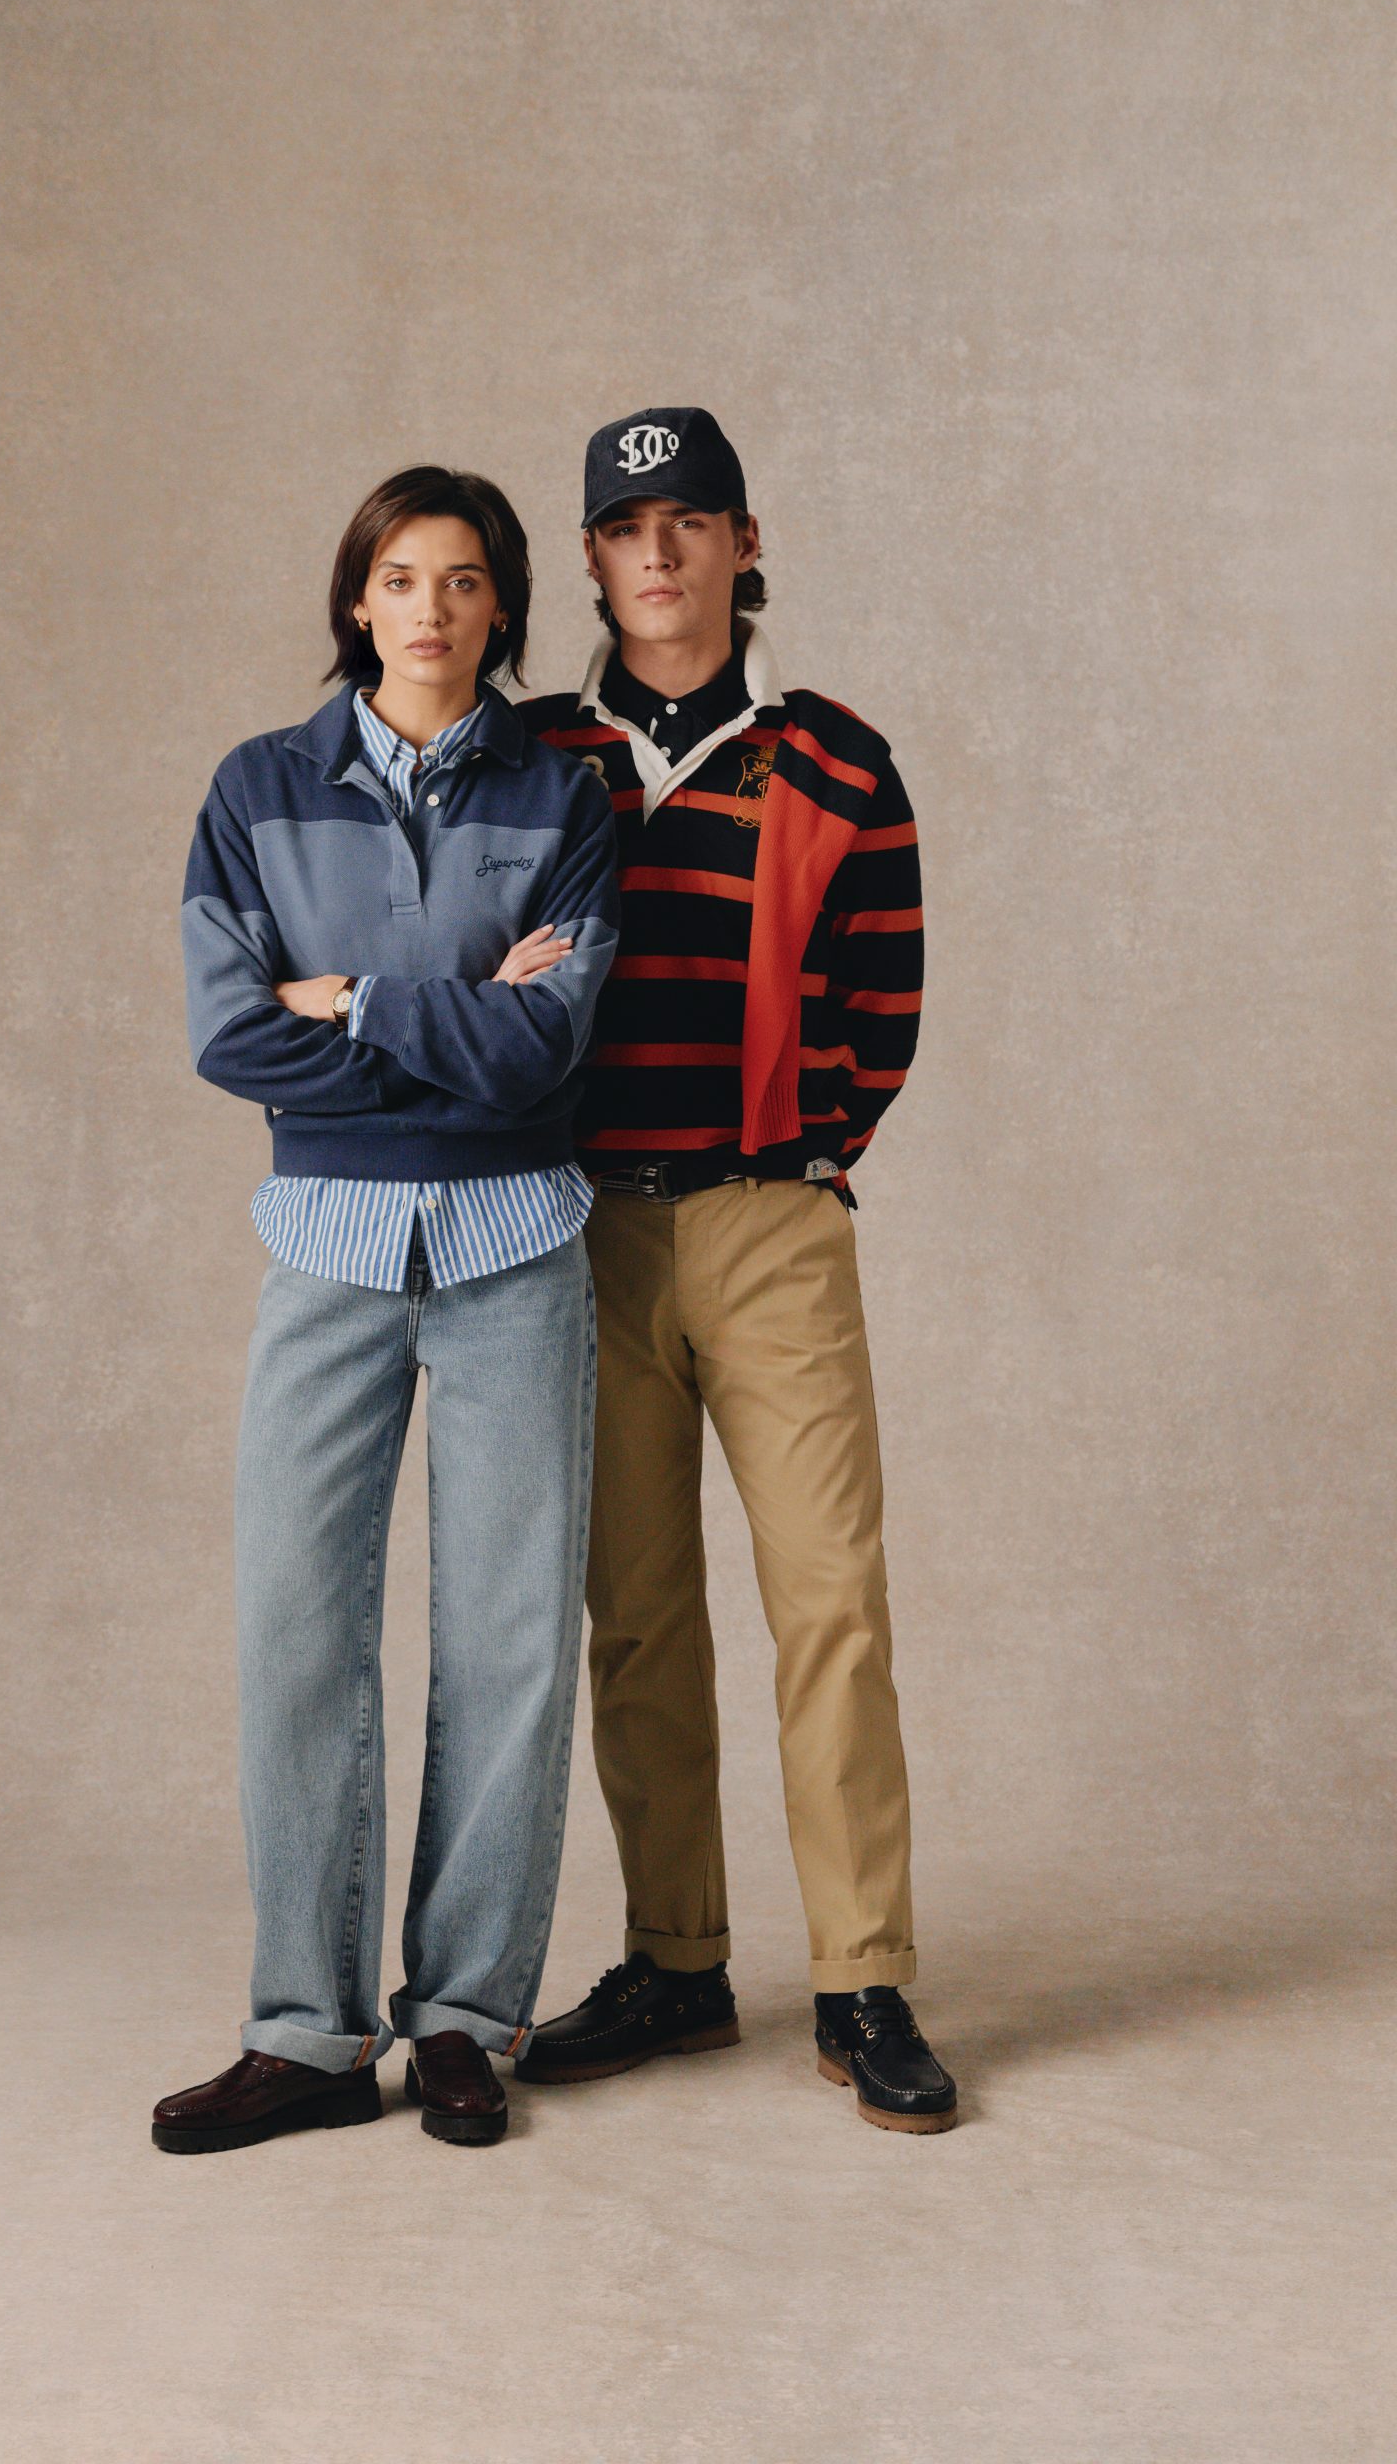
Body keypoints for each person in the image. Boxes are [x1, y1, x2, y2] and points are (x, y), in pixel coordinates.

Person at [154, 466, 617, 2153]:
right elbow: (231, 1035)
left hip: (518, 1250)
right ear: (358, 599)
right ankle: (310, 2035)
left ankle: (467, 2019)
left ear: (503, 609)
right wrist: (452, 1007)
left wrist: (347, 998)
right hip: (329, 1248)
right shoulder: (256, 788)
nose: (433, 607)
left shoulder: (565, 799)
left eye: (466, 579)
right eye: (402, 577)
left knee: (508, 1644)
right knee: (296, 1634)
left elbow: (546, 1050)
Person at [514, 407, 956, 2134]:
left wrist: (803, 1144)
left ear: (743, 544)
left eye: (691, 521)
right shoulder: (532, 755)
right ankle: (677, 1959)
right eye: (630, 527)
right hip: (581, 1229)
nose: (661, 552)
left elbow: (884, 1002)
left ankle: (863, 1978)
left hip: (771, 1223)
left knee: (830, 1601)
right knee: (634, 1612)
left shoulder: (837, 760)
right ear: (594, 556)